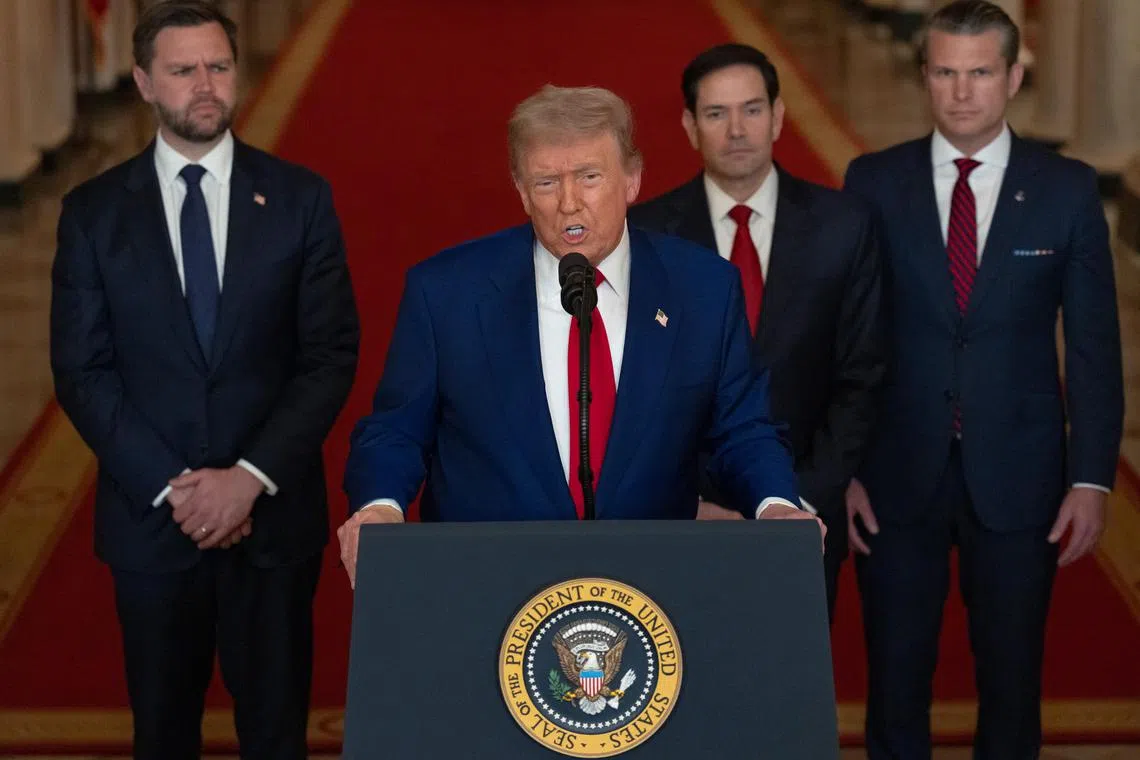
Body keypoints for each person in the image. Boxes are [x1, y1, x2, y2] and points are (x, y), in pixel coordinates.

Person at [337, 85, 821, 586]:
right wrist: (380, 506)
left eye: (589, 177)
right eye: (546, 183)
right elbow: (396, 430)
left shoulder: (703, 290)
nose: (569, 203)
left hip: (650, 587)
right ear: (522, 192)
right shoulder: (446, 293)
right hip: (486, 584)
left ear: (632, 179)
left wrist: (775, 505)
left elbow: (743, 429)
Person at [49, 2, 360, 757]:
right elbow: (82, 371)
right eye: (183, 70)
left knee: (277, 735)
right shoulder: (93, 214)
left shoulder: (300, 198)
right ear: (143, 82)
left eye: (218, 66)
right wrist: (179, 491)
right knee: (162, 734)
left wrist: (247, 480)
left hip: (272, 523)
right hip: (154, 525)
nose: (205, 85)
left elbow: (328, 355)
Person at [842, 2, 1123, 757]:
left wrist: (1091, 478)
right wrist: (846, 469)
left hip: (1021, 478)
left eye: (980, 73)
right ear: (924, 75)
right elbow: (848, 340)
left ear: (1014, 77)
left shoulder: (1066, 189)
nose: (962, 92)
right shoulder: (873, 181)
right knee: (894, 682)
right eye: (945, 72)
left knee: (1012, 683)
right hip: (896, 477)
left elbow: (1093, 348)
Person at [629, 43, 884, 619]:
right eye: (716, 114)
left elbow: (862, 376)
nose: (737, 130)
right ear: (690, 126)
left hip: (806, 515)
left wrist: (796, 501)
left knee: (789, 668)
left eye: (751, 109)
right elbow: (637, 389)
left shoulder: (844, 226)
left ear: (778, 115)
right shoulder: (647, 236)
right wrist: (688, 505)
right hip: (685, 518)